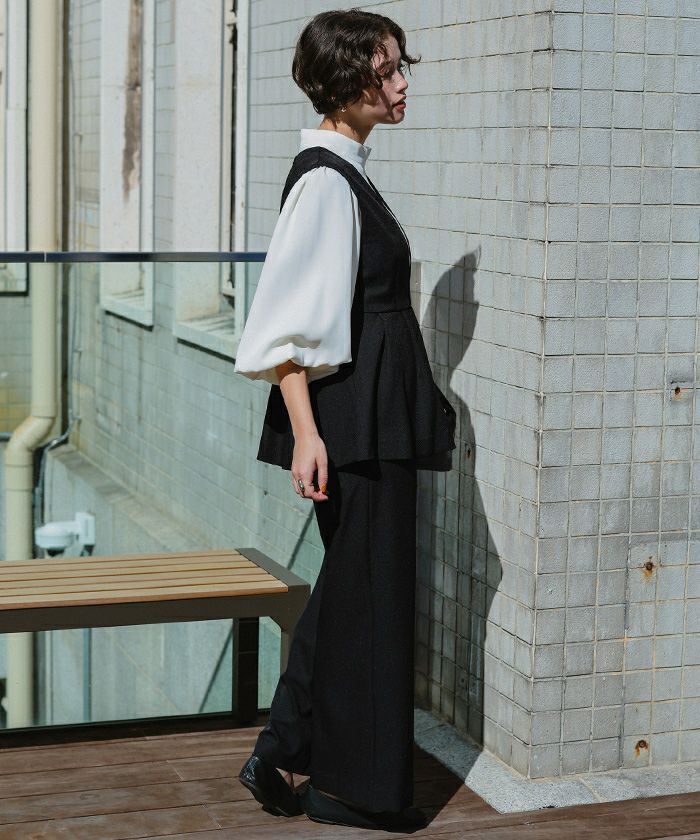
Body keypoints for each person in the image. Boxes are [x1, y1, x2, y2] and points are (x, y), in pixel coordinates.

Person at [234, 8, 456, 832]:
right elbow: (284, 328)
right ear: (344, 82)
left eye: (402, 66)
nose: (401, 84)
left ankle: (291, 750)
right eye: (385, 70)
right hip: (353, 423)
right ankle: (346, 785)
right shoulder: (327, 182)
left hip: (370, 416)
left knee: (358, 591)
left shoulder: (344, 172)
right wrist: (308, 435)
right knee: (367, 597)